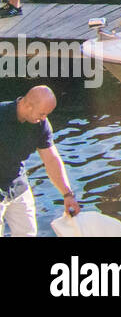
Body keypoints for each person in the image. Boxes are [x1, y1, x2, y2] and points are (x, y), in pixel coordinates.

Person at [0, 86, 80, 236]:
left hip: (17, 185)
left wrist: (67, 194)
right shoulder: (1, 115)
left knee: (28, 233)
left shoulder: (41, 125)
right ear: (28, 105)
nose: (44, 118)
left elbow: (51, 159)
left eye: (46, 114)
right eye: (42, 113)